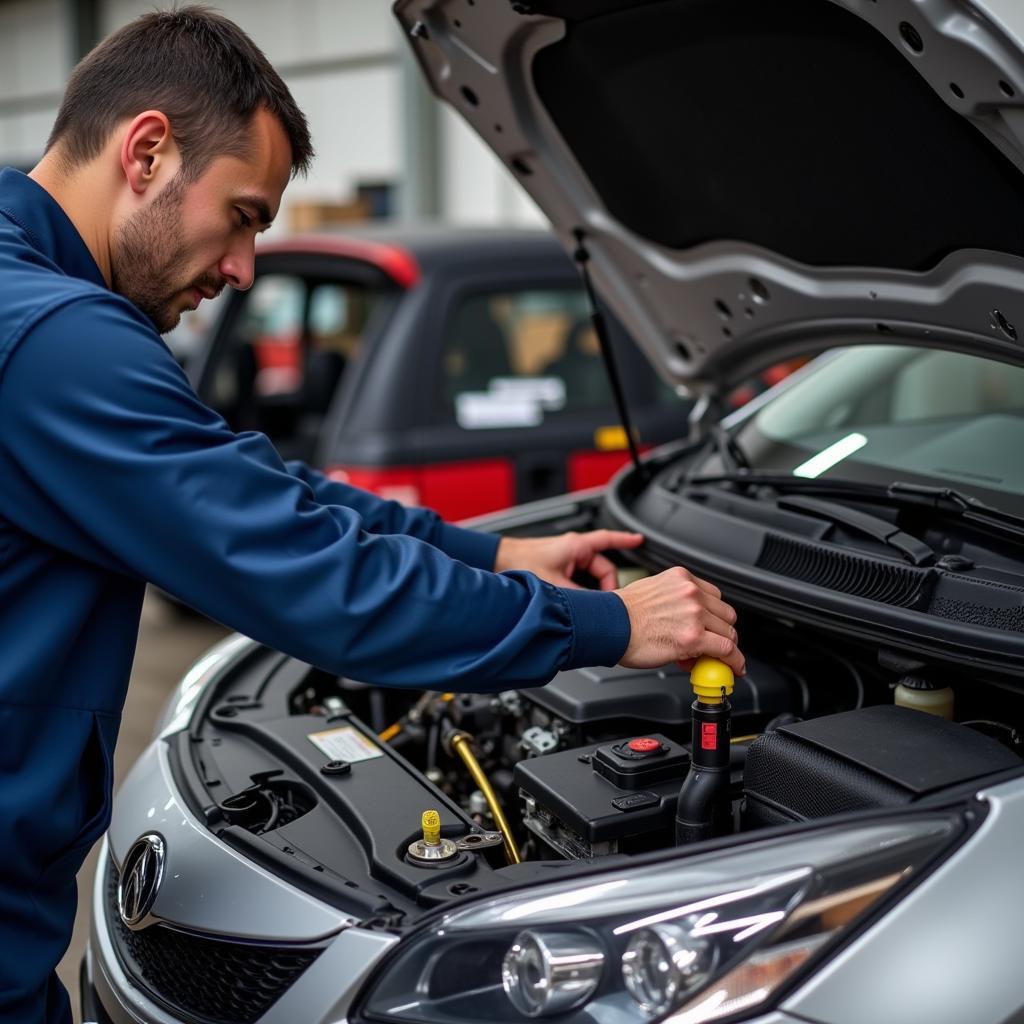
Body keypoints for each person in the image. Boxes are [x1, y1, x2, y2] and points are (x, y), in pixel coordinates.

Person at [0, 8, 744, 1023]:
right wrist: (614, 626)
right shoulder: (56, 344)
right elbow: (318, 580)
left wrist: (496, 549)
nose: (242, 267)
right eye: (245, 214)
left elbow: (270, 494)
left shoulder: (22, 292)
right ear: (147, 151)